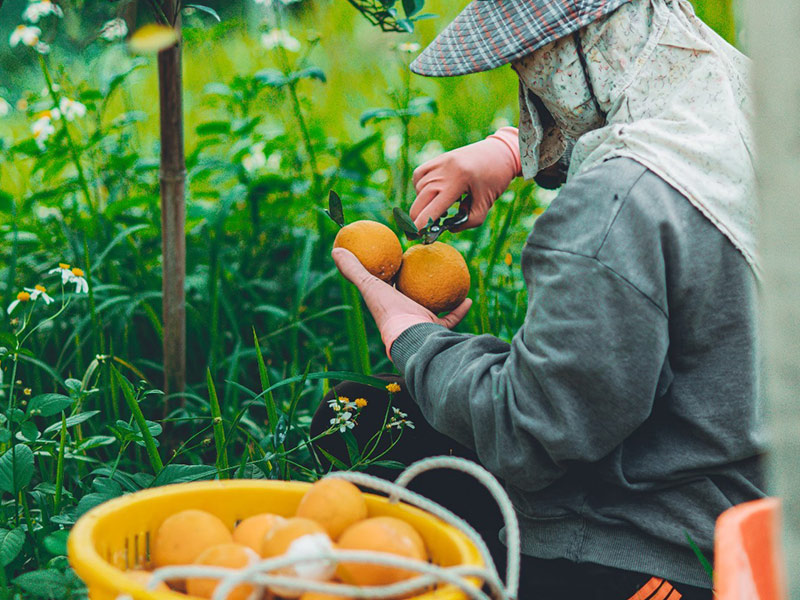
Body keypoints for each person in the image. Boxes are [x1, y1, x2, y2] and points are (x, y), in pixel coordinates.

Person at [330, 0, 765, 598]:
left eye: (526, 61)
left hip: (655, 547)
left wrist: (414, 336)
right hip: (760, 507)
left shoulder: (613, 209)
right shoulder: (755, 100)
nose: (525, 79)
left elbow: (529, 437)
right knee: (367, 409)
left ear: (568, 51)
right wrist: (510, 151)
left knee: (345, 424)